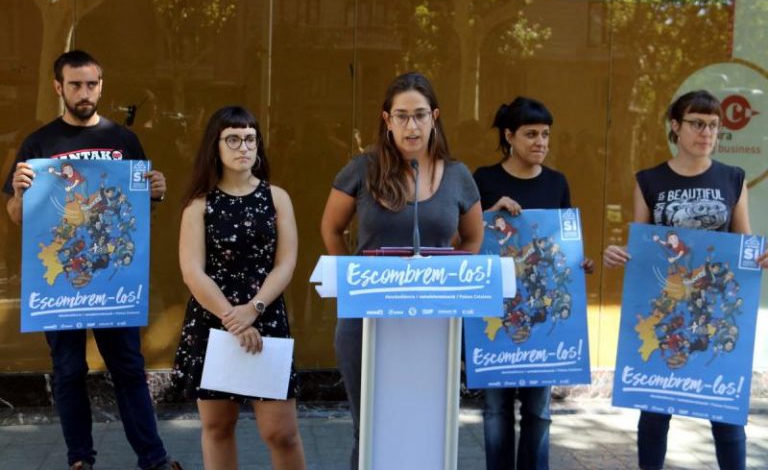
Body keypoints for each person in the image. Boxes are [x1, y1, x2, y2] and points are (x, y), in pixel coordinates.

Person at [3, 50, 179, 470]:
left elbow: (139, 211)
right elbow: (15, 216)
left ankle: (153, 459)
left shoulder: (124, 140)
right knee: (67, 371)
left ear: (102, 85)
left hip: (113, 279)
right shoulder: (39, 143)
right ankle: (79, 459)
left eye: (92, 84)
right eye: (76, 84)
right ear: (58, 87)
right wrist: (20, 191)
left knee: (129, 370)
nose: (85, 93)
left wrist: (156, 190)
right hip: (62, 281)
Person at [320, 72, 484, 468]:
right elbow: (331, 228)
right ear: (386, 120)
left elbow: (473, 240)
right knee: (372, 426)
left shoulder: (458, 176)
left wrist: (445, 277)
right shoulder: (361, 169)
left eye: (420, 115)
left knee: (427, 424)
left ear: (435, 117)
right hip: (367, 319)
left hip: (433, 322)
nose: (412, 126)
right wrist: (354, 280)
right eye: (402, 116)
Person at [603, 90, 768, 470]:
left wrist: (760, 256)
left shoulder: (733, 177)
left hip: (713, 306)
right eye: (697, 123)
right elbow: (640, 249)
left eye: (713, 125)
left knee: (725, 413)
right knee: (656, 411)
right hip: (667, 304)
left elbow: (744, 242)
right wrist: (616, 254)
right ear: (675, 127)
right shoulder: (648, 180)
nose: (706, 132)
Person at [172, 106, 305, 470]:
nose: (243, 147)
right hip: (212, 322)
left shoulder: (277, 198)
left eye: (249, 139)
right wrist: (234, 320)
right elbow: (192, 272)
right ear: (214, 146)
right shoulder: (198, 206)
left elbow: (286, 263)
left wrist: (253, 310)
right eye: (232, 138)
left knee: (281, 432)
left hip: (266, 318)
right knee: (217, 427)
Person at [473, 97, 594, 470]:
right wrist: (488, 215)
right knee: (495, 409)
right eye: (531, 134)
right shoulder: (484, 180)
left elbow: (559, 246)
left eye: (545, 134)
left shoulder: (557, 183)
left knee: (539, 409)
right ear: (509, 136)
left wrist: (577, 264)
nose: (541, 141)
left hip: (541, 317)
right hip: (496, 312)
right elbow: (466, 239)